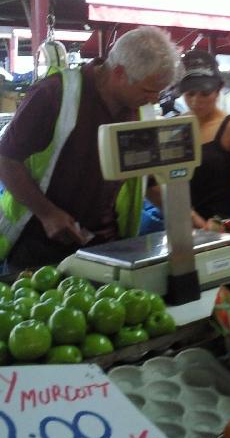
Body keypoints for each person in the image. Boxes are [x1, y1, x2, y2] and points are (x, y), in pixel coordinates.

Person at [0, 26, 180, 269]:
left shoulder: (140, 111)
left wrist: (187, 218)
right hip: (38, 245)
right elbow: (6, 158)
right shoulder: (54, 94)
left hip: (106, 245)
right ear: (119, 73)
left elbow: (147, 179)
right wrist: (47, 213)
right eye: (148, 91)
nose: (154, 100)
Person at [148, 49, 230, 228]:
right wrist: (193, 220)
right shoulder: (173, 128)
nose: (196, 101)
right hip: (181, 225)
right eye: (190, 94)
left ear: (218, 90)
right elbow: (156, 184)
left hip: (221, 226)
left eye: (204, 94)